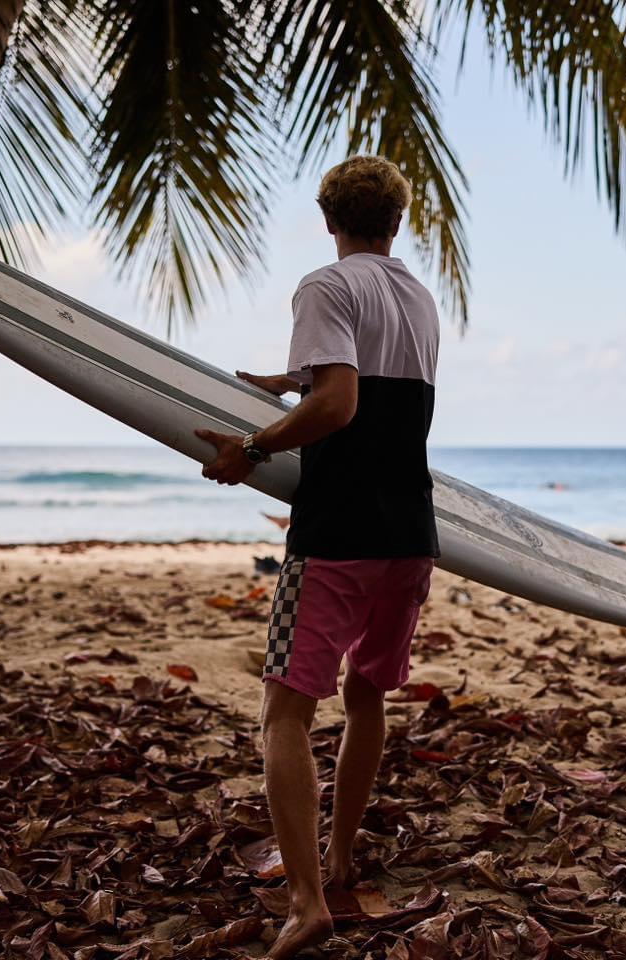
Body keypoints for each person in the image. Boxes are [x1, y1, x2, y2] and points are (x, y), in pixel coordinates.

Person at [194, 155, 441, 959]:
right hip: (410, 533)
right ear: (397, 222)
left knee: (285, 714)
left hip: (337, 532)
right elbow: (370, 384)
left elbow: (340, 403)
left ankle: (306, 904)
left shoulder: (325, 286)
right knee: (366, 695)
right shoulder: (418, 297)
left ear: (328, 218)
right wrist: (291, 377)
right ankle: (336, 858)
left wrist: (252, 448)